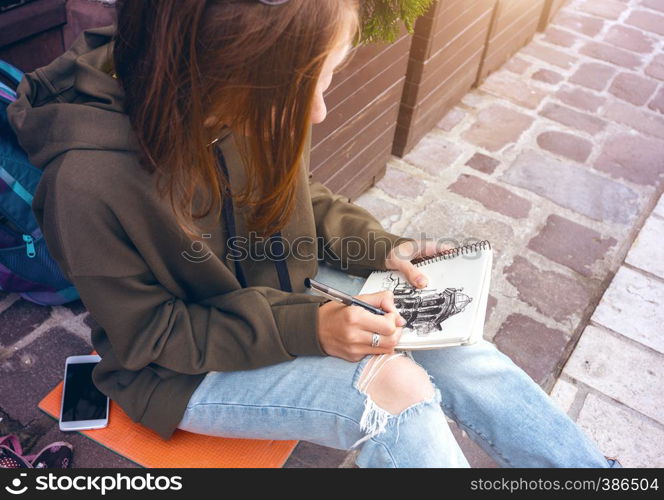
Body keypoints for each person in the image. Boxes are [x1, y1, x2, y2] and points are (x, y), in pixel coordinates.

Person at [8, 0, 621, 468]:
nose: (321, 111)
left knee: (450, 341)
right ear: (231, 74)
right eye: (311, 88)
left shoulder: (236, 89)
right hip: (177, 370)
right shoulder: (84, 185)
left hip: (286, 292)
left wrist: (376, 246)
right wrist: (311, 327)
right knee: (393, 398)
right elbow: (151, 334)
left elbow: (301, 196)